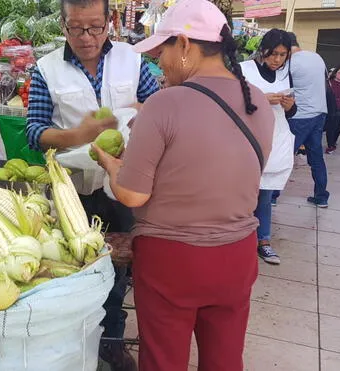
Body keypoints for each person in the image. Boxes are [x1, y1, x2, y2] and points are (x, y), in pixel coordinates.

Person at [91, 0, 275, 369]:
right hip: (237, 253)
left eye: (164, 50)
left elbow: (131, 194)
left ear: (187, 46)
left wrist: (110, 164)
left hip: (172, 261)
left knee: (164, 360)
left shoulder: (165, 103)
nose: (161, 61)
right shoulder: (258, 102)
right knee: (224, 358)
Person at [25, 0, 160, 369]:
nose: (86, 38)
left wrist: (140, 110)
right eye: (76, 28)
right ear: (63, 25)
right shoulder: (46, 69)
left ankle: (112, 340)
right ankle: (75, 338)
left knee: (118, 269)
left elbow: (161, 107)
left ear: (110, 22)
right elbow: (34, 132)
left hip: (123, 185)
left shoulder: (132, 61)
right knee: (75, 266)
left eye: (95, 28)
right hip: (74, 191)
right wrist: (76, 135)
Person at [240, 29, 295, 265]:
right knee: (242, 193)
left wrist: (289, 105)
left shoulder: (285, 76)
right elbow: (235, 104)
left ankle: (263, 241)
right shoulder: (244, 70)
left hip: (275, 138)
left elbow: (291, 113)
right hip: (248, 140)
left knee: (266, 191)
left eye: (283, 55)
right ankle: (239, 240)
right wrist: (262, 99)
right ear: (263, 51)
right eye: (273, 54)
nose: (277, 60)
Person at [272, 32, 330, 208]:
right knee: (316, 157)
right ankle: (321, 197)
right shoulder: (317, 57)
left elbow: (281, 89)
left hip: (299, 117)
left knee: (285, 155)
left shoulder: (290, 63)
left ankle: (272, 195)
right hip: (320, 113)